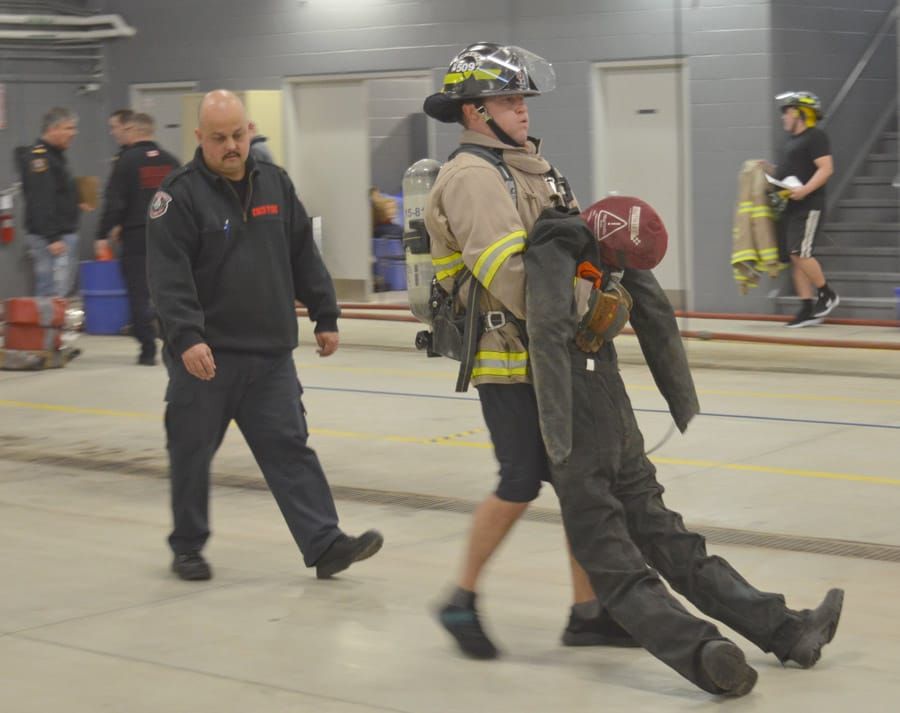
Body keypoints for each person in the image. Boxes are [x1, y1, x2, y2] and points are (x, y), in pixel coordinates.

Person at [522, 199, 844, 697]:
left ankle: (704, 652)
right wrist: (680, 398)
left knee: (613, 561)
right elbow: (655, 312)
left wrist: (557, 438)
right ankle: (789, 631)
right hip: (609, 395)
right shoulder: (607, 254)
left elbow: (545, 332)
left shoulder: (556, 240)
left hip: (574, 405)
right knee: (670, 539)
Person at [423, 43, 636, 661]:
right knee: (519, 481)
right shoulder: (469, 178)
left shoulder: (529, 167)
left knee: (578, 482)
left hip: (550, 351)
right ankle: (459, 597)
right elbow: (514, 278)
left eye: (521, 99)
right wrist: (587, 304)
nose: (521, 110)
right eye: (509, 100)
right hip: (507, 357)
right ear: (473, 111)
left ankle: (588, 611)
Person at [146, 89, 383, 582]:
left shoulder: (275, 183)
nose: (231, 146)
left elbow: (301, 253)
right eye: (219, 138)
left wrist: (325, 313)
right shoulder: (178, 197)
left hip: (270, 356)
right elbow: (169, 278)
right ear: (199, 138)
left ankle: (324, 543)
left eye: (238, 134)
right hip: (206, 359)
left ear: (249, 129)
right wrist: (187, 337)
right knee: (190, 455)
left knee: (289, 447)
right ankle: (188, 546)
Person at [95, 112, 180, 365]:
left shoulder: (126, 161)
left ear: (132, 130)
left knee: (138, 293)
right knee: (169, 291)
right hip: (169, 236)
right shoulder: (172, 161)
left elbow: (115, 202)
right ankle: (174, 343)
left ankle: (147, 349)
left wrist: (103, 233)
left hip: (136, 236)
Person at [770, 91, 839, 328]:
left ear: (800, 113)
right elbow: (786, 173)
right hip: (792, 205)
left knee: (801, 252)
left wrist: (806, 190)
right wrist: (765, 169)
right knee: (793, 256)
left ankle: (827, 294)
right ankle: (807, 307)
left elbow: (826, 169)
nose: (784, 118)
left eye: (787, 112)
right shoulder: (789, 143)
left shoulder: (816, 137)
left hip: (810, 205)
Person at [18, 107, 84, 297]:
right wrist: (52, 237)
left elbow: (56, 194)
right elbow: (40, 200)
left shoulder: (55, 156)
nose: (74, 133)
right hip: (52, 238)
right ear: (52, 129)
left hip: (60, 234)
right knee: (51, 292)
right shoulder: (41, 159)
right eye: (69, 128)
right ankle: (46, 327)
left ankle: (52, 326)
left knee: (59, 292)